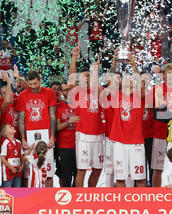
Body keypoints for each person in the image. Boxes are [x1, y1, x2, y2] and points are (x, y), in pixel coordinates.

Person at [67, 46, 104, 188]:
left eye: (88, 75)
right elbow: (71, 79)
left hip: (98, 135)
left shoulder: (99, 90)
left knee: (97, 169)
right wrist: (74, 57)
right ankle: (79, 199)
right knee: (81, 170)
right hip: (83, 136)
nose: (87, 79)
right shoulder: (77, 91)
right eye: (84, 76)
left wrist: (96, 70)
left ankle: (90, 195)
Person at [16, 70, 57, 187]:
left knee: (48, 172)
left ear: (40, 81)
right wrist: (23, 138)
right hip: (29, 137)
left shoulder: (49, 93)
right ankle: (28, 199)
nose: (33, 87)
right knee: (27, 173)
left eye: (35, 83)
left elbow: (52, 116)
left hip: (46, 136)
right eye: (30, 84)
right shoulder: (23, 96)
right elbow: (21, 119)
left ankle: (48, 199)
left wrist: (52, 136)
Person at [109, 72, 147, 188]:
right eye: (125, 78)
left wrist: (134, 67)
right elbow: (111, 81)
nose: (127, 79)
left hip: (136, 142)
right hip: (119, 142)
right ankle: (122, 204)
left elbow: (142, 85)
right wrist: (114, 62)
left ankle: (142, 205)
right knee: (120, 178)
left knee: (140, 178)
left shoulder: (139, 96)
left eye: (130, 78)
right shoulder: (116, 95)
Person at [55, 82, 79, 187]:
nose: (68, 92)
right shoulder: (58, 106)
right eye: (65, 90)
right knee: (65, 178)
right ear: (61, 92)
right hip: (64, 147)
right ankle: (66, 201)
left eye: (70, 89)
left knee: (78, 176)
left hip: (80, 145)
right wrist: (69, 122)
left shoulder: (80, 104)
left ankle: (77, 200)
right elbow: (57, 127)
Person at [0, 124, 23, 188]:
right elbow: (2, 158)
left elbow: (21, 156)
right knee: (8, 190)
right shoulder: (5, 143)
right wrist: (11, 168)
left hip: (18, 171)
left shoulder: (19, 142)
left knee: (17, 189)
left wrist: (22, 166)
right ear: (6, 133)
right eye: (10, 127)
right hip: (8, 172)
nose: (13, 127)